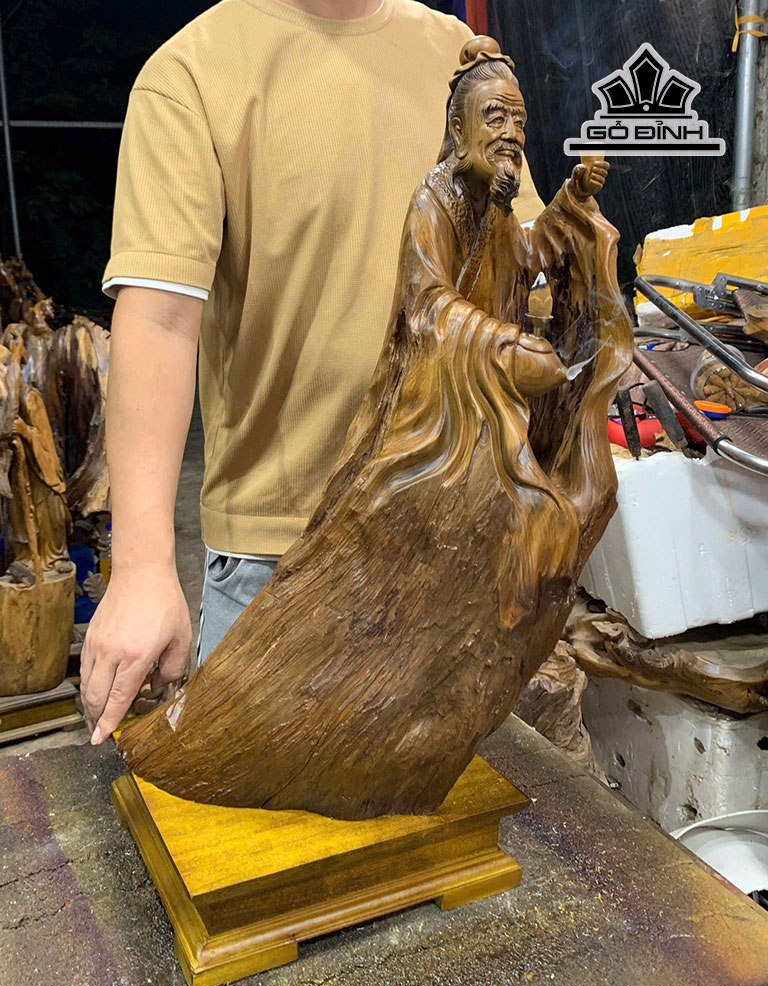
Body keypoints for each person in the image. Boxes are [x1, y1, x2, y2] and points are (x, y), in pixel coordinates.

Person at [81, 0, 545, 745]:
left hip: (449, 534)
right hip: (280, 557)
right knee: (258, 808)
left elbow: (517, 245)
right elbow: (160, 321)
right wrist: (140, 566)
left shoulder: (456, 54)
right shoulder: (194, 72)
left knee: (459, 804)